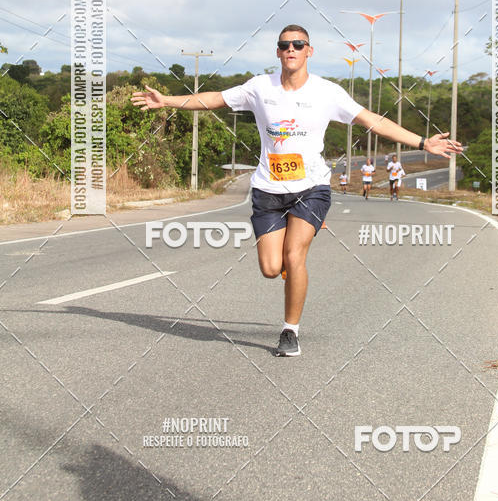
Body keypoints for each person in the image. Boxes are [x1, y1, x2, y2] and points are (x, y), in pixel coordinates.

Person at [131, 24, 462, 358]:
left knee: (294, 255)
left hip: (311, 187)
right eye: (285, 45)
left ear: (309, 51)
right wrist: (167, 101)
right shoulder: (259, 87)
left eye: (298, 44)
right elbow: (215, 99)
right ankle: (291, 265)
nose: (291, 49)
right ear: (278, 52)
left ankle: (290, 331)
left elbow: (372, 121)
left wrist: (422, 142)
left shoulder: (327, 92)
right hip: (268, 190)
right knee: (271, 268)